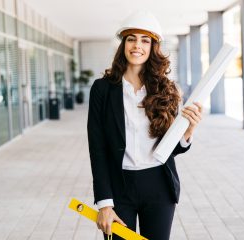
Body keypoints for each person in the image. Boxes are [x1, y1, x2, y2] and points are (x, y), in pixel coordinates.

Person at [87, 11, 202, 240]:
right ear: (123, 44)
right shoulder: (102, 89)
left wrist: (187, 133)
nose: (137, 45)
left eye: (145, 40)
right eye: (132, 39)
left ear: (153, 47)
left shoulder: (166, 89)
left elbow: (170, 148)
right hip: (119, 189)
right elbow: (97, 148)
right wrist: (104, 203)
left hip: (159, 186)